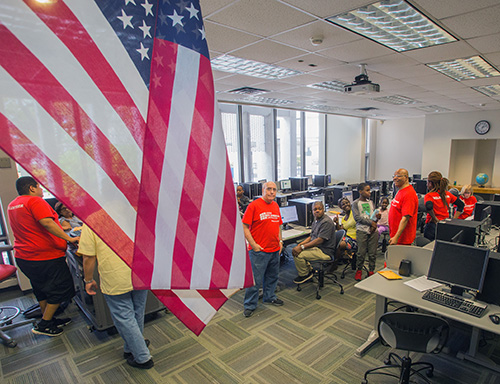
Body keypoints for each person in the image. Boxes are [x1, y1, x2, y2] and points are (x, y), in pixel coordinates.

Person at [7, 176, 77, 336]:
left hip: (25, 257)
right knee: (60, 289)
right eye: (39, 187)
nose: (41, 190)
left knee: (42, 289)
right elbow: (47, 223)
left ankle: (49, 319)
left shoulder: (13, 204)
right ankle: (44, 325)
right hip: (45, 257)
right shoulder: (35, 201)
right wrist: (69, 239)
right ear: (32, 188)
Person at [79, 225, 153, 369]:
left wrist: (88, 280)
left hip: (115, 276)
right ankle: (131, 347)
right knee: (137, 312)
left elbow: (88, 256)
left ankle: (143, 357)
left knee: (125, 317)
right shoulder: (135, 210)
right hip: (141, 271)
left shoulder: (92, 221)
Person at [242, 181, 283, 318]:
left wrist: (280, 241)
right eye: (269, 189)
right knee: (255, 281)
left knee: (272, 277)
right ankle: (250, 305)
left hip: (274, 249)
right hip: (259, 251)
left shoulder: (276, 205)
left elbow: (278, 226)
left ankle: (269, 296)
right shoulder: (254, 205)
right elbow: (245, 227)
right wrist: (253, 245)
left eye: (274, 190)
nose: (272, 192)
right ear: (263, 190)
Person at [291, 201, 336, 284]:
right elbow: (311, 237)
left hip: (325, 251)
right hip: (318, 248)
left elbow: (319, 240)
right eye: (315, 209)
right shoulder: (316, 220)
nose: (317, 211)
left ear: (324, 209)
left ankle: (305, 275)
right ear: (312, 211)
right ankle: (309, 270)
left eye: (320, 209)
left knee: (298, 254)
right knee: (297, 248)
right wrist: (300, 245)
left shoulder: (326, 222)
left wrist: (302, 247)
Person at [423, 171, 464, 240]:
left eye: (427, 182)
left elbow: (429, 206)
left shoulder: (429, 195)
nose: (427, 185)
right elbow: (461, 205)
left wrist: (435, 219)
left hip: (432, 226)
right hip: (445, 224)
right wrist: (453, 219)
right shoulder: (447, 194)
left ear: (430, 183)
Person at [351, 183, 379, 281]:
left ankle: (371, 270)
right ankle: (359, 270)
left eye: (369, 190)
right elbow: (357, 218)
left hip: (373, 230)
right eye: (367, 190)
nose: (369, 192)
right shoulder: (355, 203)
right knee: (361, 253)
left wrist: (374, 222)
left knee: (372, 253)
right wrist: (371, 223)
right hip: (362, 230)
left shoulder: (371, 202)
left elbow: (374, 214)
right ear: (360, 192)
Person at [388, 168, 419, 246]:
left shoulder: (409, 194)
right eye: (394, 176)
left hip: (403, 239)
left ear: (406, 178)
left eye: (398, 176)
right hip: (397, 237)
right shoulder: (401, 191)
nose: (395, 178)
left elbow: (405, 218)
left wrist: (396, 237)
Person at [333, 197, 357, 262]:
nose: (346, 205)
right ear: (341, 207)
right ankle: (336, 259)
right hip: (347, 238)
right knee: (331, 242)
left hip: (355, 240)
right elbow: (341, 231)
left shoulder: (355, 213)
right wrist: (337, 223)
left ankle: (335, 263)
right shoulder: (343, 218)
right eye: (343, 204)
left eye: (347, 203)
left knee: (339, 245)